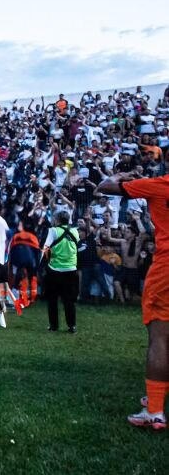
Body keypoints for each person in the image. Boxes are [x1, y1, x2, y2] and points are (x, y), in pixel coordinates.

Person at [99, 173, 169, 430]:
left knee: (160, 336)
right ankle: (156, 396)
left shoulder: (159, 185)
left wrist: (123, 176)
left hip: (166, 267)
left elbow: (104, 186)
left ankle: (154, 411)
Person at [42, 210, 81, 333]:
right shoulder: (75, 231)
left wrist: (46, 261)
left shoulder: (53, 231)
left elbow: (46, 247)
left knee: (52, 299)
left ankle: (54, 326)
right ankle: (72, 326)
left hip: (55, 269)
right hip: (71, 269)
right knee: (69, 300)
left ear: (57, 220)